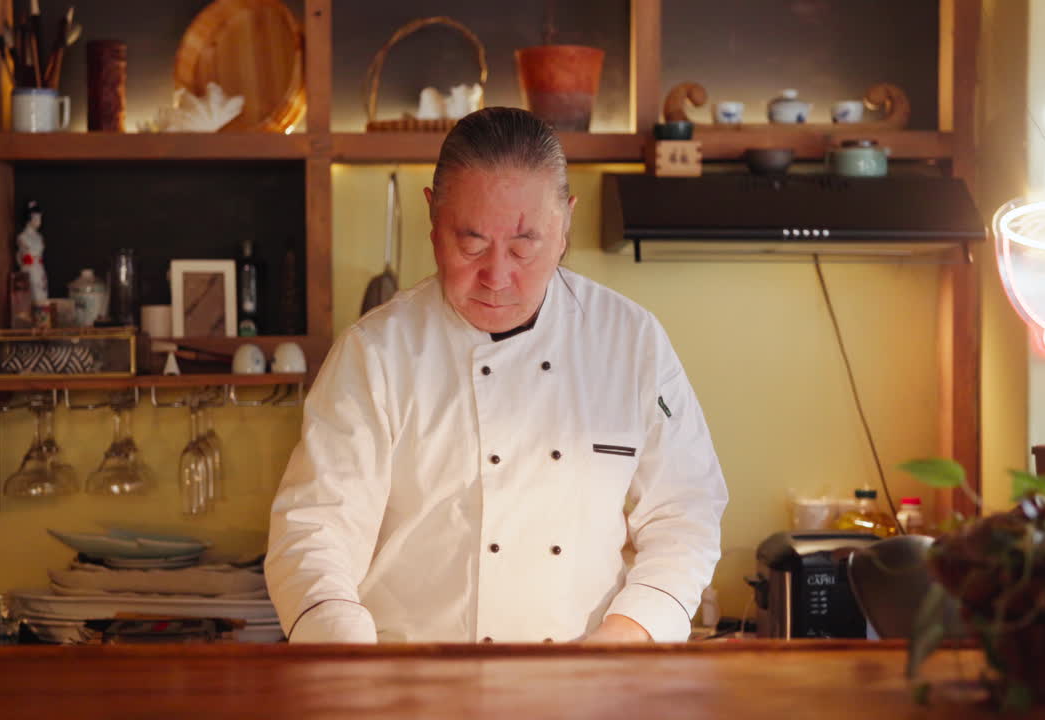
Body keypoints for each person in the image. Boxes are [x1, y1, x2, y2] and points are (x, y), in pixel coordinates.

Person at [266, 107, 728, 644]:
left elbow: (686, 511)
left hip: (587, 689)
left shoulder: (631, 343)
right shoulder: (375, 354)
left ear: (564, 226)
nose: (498, 275)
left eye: (524, 243)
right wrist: (350, 661)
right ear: (432, 220)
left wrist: (629, 636)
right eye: (473, 242)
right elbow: (314, 533)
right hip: (414, 695)